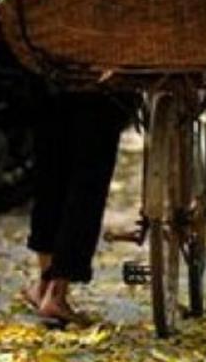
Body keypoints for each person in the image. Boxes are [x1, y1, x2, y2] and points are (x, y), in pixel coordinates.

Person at [20, 89, 132, 325]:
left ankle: (45, 283)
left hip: (51, 72)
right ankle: (56, 293)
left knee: (50, 173)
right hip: (103, 83)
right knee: (88, 179)